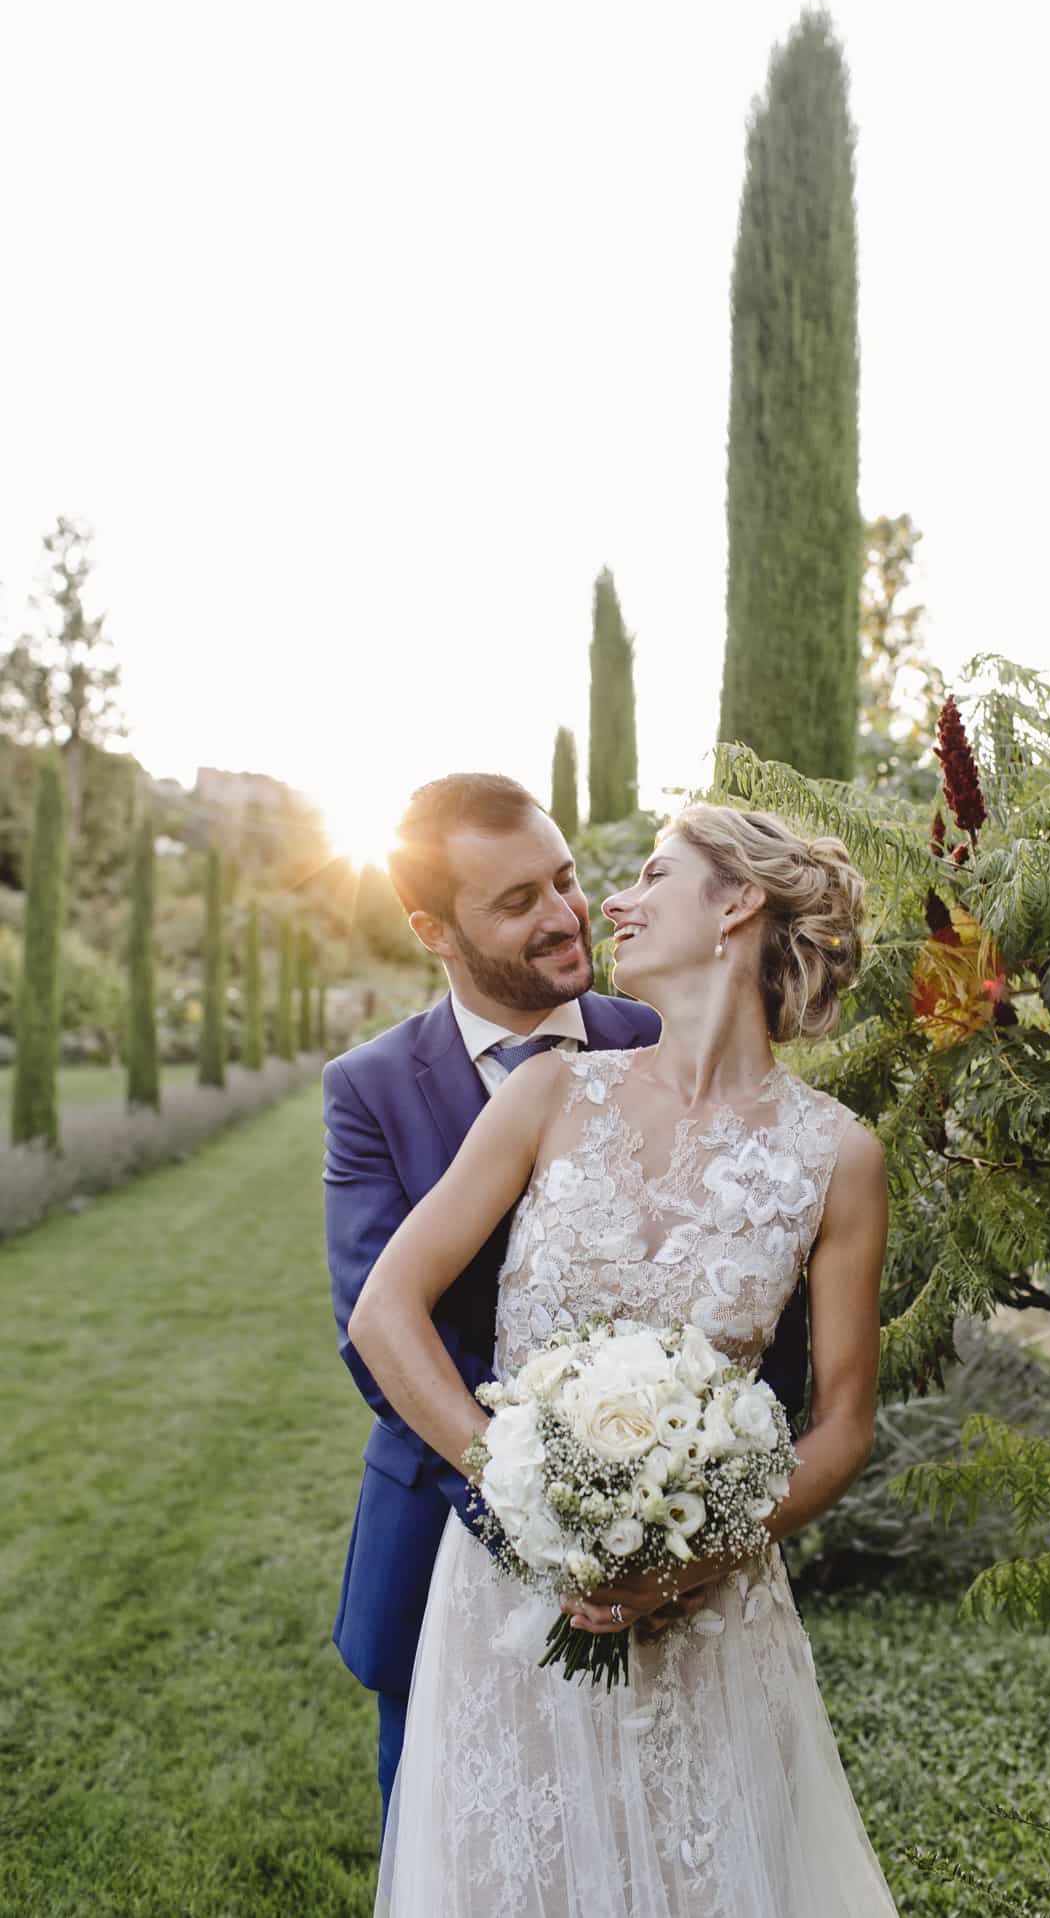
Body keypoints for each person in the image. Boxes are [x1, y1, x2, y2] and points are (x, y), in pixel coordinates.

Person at [350, 803, 899, 1917]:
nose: (611, 902)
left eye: (653, 874)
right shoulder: (552, 1095)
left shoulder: (837, 1156)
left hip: (708, 1609)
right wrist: (530, 1490)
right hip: (507, 1595)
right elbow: (385, 1311)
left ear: (737, 904)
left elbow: (841, 1422)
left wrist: (694, 1556)